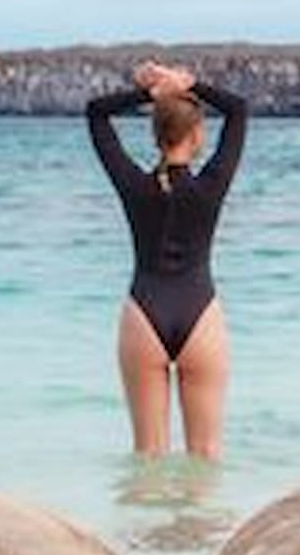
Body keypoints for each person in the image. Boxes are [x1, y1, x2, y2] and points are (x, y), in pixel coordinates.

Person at [86, 61, 248, 459]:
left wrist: (149, 92)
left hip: (143, 314)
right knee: (207, 454)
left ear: (156, 135)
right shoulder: (210, 186)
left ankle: (144, 525)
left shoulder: (134, 186)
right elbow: (238, 110)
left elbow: (96, 112)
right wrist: (188, 83)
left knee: (147, 453)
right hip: (201, 314)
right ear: (196, 136)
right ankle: (201, 524)